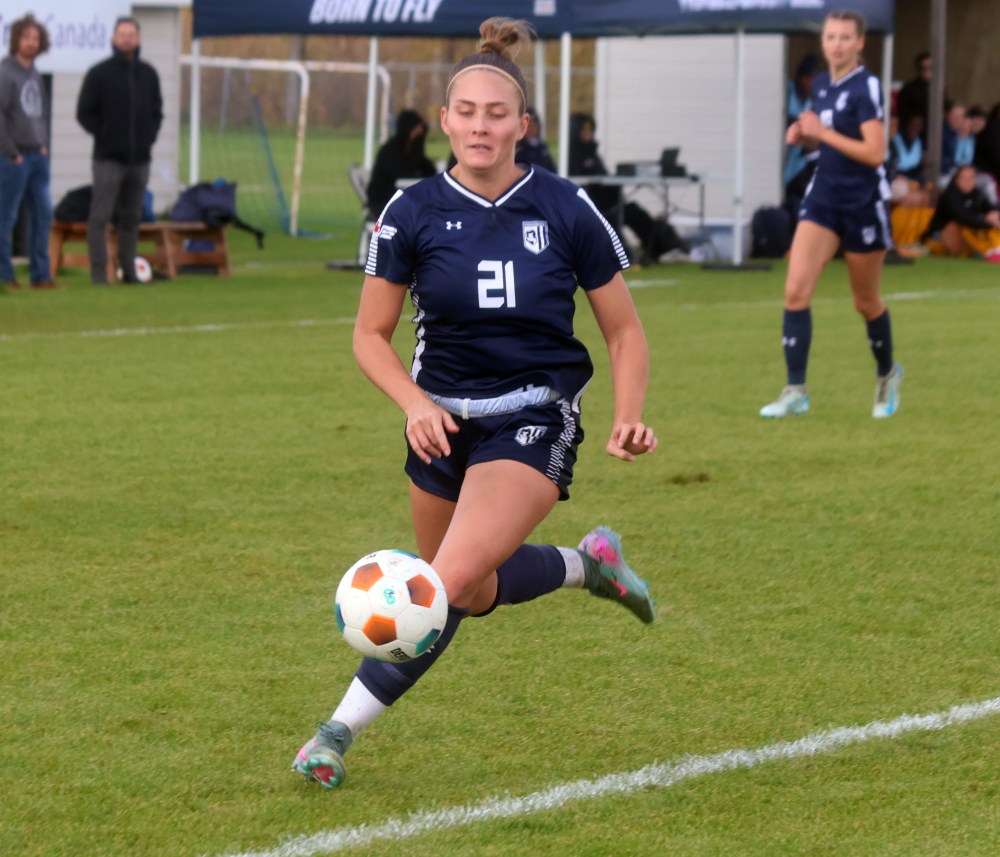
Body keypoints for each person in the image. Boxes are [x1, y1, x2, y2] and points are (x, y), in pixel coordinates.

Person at [291, 16, 658, 790]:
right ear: (447, 119)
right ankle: (587, 566)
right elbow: (369, 335)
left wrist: (629, 411)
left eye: (499, 114)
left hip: (532, 412)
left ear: (524, 124)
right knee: (476, 589)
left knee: (441, 585)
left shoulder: (565, 207)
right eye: (467, 113)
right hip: (440, 423)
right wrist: (413, 402)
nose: (482, 126)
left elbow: (623, 331)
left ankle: (333, 733)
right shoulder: (410, 211)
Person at [760, 10, 903, 420]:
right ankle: (795, 390)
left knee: (866, 301)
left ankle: (887, 374)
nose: (836, 44)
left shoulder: (868, 86)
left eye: (845, 38)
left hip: (863, 204)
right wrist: (803, 134)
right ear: (823, 41)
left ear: (860, 43)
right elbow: (824, 135)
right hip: (823, 199)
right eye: (830, 37)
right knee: (795, 292)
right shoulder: (822, 84)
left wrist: (823, 134)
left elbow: (874, 153)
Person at [76, 16, 162, 285]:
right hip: (108, 159)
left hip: (140, 159)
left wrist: (148, 137)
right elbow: (84, 113)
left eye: (131, 34)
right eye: (122, 34)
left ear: (139, 39)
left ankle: (129, 271)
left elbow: (156, 112)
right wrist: (106, 135)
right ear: (114, 39)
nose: (127, 39)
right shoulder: (99, 73)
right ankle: (100, 273)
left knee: (131, 217)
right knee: (100, 216)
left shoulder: (148, 74)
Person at [569, 112, 687, 265]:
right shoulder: (572, 156)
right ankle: (626, 255)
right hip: (595, 206)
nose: (588, 135)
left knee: (636, 212)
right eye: (584, 132)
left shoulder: (593, 153)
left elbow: (603, 178)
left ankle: (657, 250)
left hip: (611, 202)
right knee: (613, 217)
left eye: (590, 131)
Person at [0, 14, 54, 291]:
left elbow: (40, 113)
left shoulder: (34, 73)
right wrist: (11, 152)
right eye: (26, 38)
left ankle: (41, 275)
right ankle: (5, 276)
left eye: (35, 38)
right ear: (16, 40)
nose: (31, 43)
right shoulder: (5, 71)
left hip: (37, 157)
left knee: (44, 214)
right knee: (6, 217)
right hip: (13, 157)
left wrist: (43, 145)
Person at [365, 108, 437, 217]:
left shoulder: (412, 150)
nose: (418, 134)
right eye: (415, 130)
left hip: (402, 200)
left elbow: (424, 166)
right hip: (383, 201)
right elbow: (404, 174)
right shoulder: (391, 151)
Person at [921, 164, 1000, 261]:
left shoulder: (977, 193)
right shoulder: (950, 195)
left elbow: (991, 208)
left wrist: (994, 215)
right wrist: (988, 222)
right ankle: (985, 252)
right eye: (964, 178)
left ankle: (994, 250)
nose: (968, 181)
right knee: (956, 226)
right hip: (938, 236)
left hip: (965, 232)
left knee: (992, 218)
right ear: (957, 180)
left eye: (971, 177)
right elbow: (961, 216)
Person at [784, 53, 820, 200]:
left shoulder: (812, 101)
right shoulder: (786, 91)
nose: (809, 83)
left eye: (812, 79)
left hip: (799, 163)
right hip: (783, 154)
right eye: (807, 78)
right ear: (799, 76)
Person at [896, 51, 932, 143]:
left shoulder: (938, 89)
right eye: (923, 68)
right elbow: (902, 113)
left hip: (933, 135)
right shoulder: (910, 88)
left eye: (930, 68)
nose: (927, 71)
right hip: (913, 136)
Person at [515, 106, 557, 172]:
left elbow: (551, 168)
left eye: (534, 125)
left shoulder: (542, 147)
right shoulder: (520, 149)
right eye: (529, 126)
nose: (532, 129)